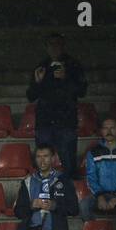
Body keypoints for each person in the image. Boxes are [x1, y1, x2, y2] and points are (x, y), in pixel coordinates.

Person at [26, 32, 87, 179]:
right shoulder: (41, 66)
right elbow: (31, 95)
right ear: (46, 47)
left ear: (63, 46)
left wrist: (66, 78)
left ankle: (70, 197)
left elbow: (82, 91)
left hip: (66, 121)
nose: (54, 48)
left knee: (69, 164)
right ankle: (43, 195)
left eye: (57, 44)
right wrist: (38, 82)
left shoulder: (73, 65)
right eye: (51, 45)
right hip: (45, 122)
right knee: (43, 164)